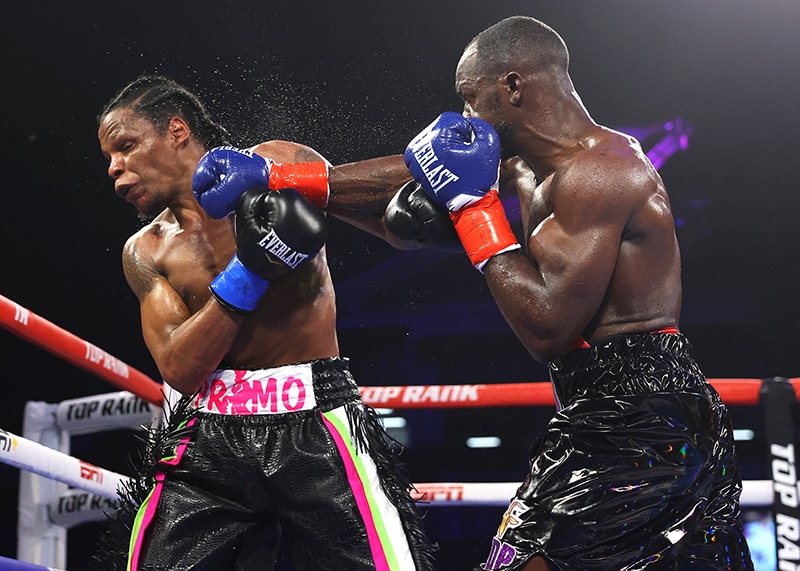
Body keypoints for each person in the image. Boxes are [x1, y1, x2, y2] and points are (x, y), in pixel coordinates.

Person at [399, 15, 753, 571]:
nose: (466, 119)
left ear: (512, 86)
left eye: (472, 99)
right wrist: (294, 182)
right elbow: (413, 171)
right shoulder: (523, 168)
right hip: (614, 412)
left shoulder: (603, 170)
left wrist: (475, 212)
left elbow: (547, 327)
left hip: (642, 417)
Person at [92, 75, 436, 571]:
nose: (115, 169)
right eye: (109, 158)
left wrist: (287, 183)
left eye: (125, 146)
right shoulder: (146, 250)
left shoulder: (278, 162)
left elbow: (407, 204)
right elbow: (181, 368)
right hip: (206, 433)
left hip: (314, 418)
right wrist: (250, 269)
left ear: (176, 130)